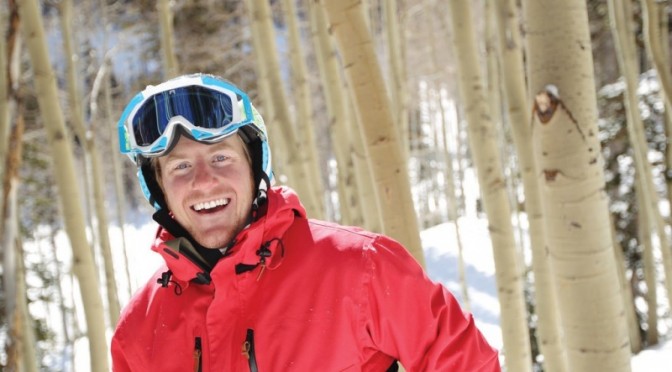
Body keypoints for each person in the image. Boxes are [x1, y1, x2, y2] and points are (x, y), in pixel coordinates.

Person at [111, 73, 501, 371]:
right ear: (158, 188)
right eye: (180, 166)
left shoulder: (361, 267)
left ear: (255, 165)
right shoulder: (140, 329)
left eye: (220, 157)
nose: (203, 181)